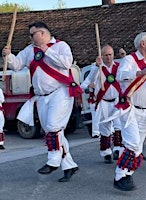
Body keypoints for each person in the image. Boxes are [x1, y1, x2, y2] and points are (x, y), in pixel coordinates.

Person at [2, 22, 82, 182]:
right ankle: (69, 165)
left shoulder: (60, 46)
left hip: (60, 92)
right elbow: (17, 65)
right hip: (41, 96)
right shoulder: (29, 50)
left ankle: (53, 161)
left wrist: (46, 49)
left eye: (33, 34)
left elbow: (67, 63)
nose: (30, 38)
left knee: (54, 126)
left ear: (42, 33)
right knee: (53, 132)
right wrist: (8, 56)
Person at [113, 32, 146, 191]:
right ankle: (119, 176)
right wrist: (140, 72)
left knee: (137, 147)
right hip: (130, 109)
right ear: (143, 44)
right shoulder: (130, 60)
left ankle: (127, 174)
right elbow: (120, 76)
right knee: (132, 142)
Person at [92, 44, 123, 163]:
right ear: (102, 56)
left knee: (118, 125)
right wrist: (96, 67)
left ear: (113, 55)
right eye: (105, 55)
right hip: (103, 102)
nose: (108, 57)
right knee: (104, 128)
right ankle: (106, 152)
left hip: (116, 101)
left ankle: (117, 149)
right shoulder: (97, 69)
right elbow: (88, 81)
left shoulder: (119, 67)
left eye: (110, 55)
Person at [80, 63, 101, 138]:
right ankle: (96, 132)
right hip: (94, 99)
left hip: (103, 98)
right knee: (95, 116)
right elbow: (82, 85)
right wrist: (89, 85)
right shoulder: (90, 77)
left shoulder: (104, 72)